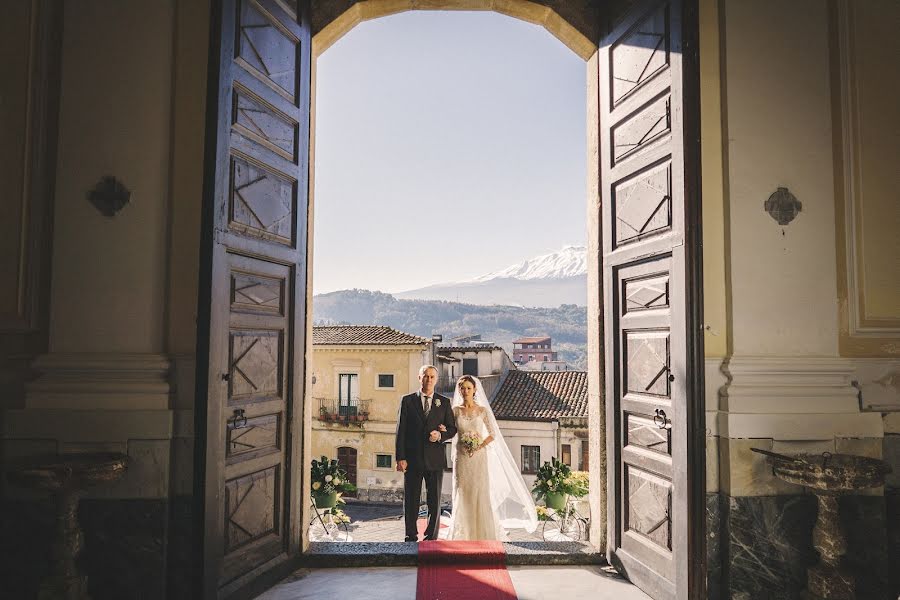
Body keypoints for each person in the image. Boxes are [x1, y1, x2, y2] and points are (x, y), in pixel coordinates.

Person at [445, 375, 538, 540]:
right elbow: (450, 431)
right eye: (463, 388)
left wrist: (478, 445)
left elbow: (492, 434)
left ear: (474, 390)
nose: (465, 391)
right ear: (459, 390)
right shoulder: (455, 411)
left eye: (468, 388)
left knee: (479, 491)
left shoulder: (482, 410)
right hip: (462, 457)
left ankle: (481, 531)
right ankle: (462, 532)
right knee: (463, 491)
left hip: (479, 457)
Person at [395, 365, 457, 541]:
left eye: (432, 377)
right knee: (411, 499)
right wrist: (400, 458)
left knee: (434, 500)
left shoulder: (444, 402)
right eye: (425, 376)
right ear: (419, 377)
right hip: (412, 460)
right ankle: (410, 534)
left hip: (435, 460)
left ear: (436, 380)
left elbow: (452, 429)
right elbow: (401, 432)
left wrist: (440, 435)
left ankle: (431, 536)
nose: (429, 379)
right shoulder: (407, 401)